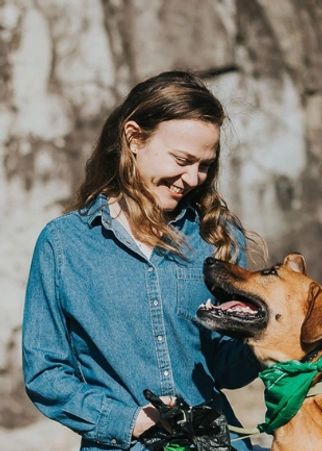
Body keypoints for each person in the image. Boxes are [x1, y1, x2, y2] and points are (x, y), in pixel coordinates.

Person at [22, 70, 262, 450]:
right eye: (182, 159)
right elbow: (46, 373)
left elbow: (226, 370)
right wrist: (128, 420)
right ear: (134, 138)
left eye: (205, 165)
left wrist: (265, 333)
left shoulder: (216, 238)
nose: (194, 178)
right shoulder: (64, 244)